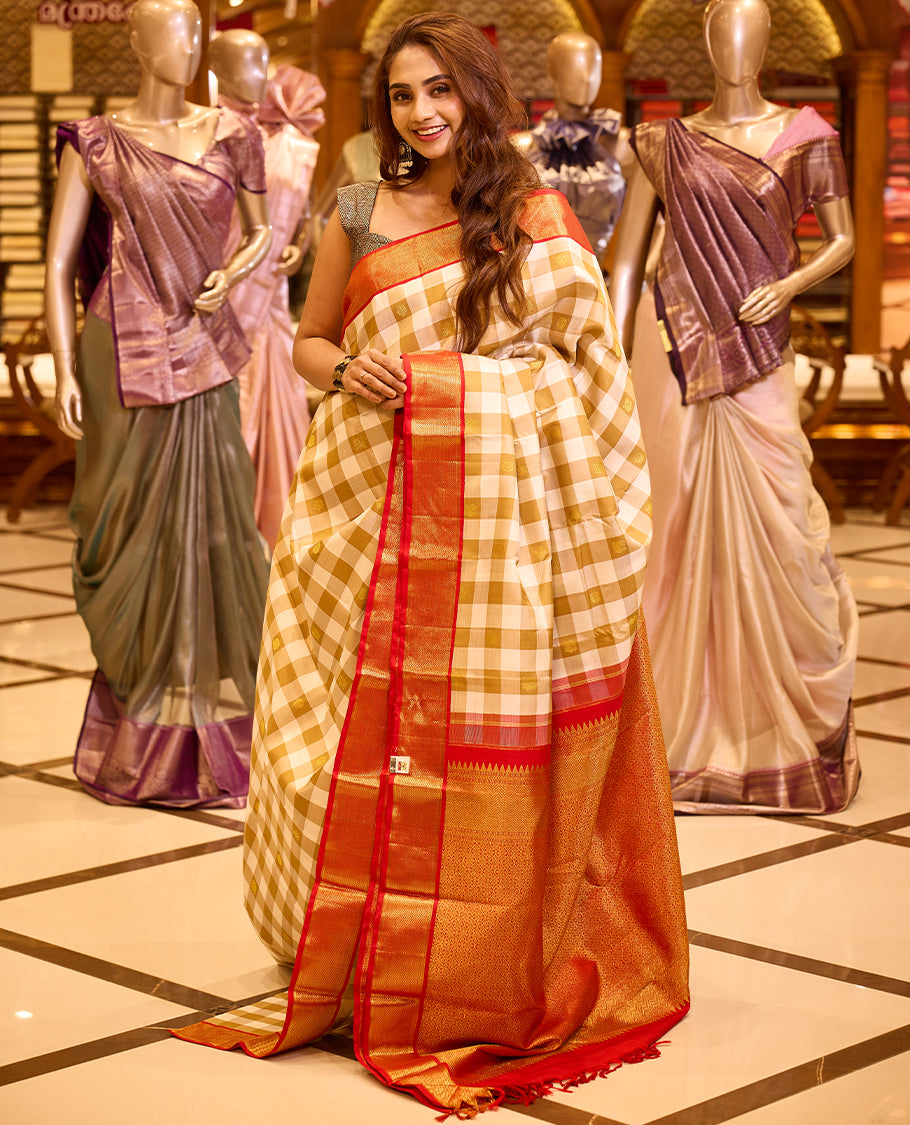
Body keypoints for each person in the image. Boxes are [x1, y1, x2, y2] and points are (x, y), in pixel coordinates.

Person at [174, 12, 689, 1116]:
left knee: (481, 736)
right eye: (404, 96)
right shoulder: (357, 208)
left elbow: (586, 368)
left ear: (478, 94)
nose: (424, 114)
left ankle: (474, 958)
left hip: (507, 538)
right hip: (376, 510)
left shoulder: (534, 213)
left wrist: (467, 395)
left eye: (442, 91)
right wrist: (341, 374)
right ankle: (375, 946)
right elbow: (309, 341)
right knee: (367, 731)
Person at [609, 0, 860, 814]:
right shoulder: (660, 141)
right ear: (706, 44)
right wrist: (604, 361)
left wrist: (788, 284)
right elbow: (629, 257)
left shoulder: (806, 136)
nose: (735, 47)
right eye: (722, 30)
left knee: (784, 521)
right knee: (676, 520)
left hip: (762, 352)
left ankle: (782, 731)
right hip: (676, 347)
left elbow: (843, 237)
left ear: (768, 43)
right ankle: (680, 729)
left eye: (748, 30)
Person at [43, 0, 272, 808]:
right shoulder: (95, 141)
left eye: (196, 28)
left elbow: (264, 230)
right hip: (118, 350)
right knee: (123, 518)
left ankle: (204, 728)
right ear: (136, 41)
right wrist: (65, 366)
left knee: (213, 522)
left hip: (204, 345)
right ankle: (139, 714)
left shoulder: (235, 132)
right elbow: (59, 260)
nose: (190, 43)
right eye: (171, 29)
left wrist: (236, 274)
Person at [210, 31, 325, 548]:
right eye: (250, 63)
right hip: (217, 289)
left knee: (274, 393)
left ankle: (271, 524)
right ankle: (221, 519)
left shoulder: (291, 143)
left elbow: (304, 217)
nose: (264, 74)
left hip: (269, 291)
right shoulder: (204, 132)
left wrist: (299, 246)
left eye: (264, 62)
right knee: (230, 390)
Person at [515, 32, 631, 266]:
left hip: (601, 279)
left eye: (594, 68)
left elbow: (646, 226)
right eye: (575, 67)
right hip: (538, 280)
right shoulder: (519, 147)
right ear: (552, 71)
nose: (586, 78)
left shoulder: (624, 146)